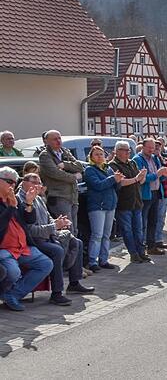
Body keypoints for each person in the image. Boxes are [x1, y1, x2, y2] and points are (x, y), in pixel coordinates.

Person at [18, 173, 94, 304]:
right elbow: (30, 231)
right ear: (24, 182)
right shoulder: (21, 200)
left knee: (77, 242)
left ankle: (74, 283)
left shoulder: (39, 199)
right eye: (33, 182)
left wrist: (58, 222)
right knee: (56, 250)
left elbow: (48, 218)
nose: (37, 186)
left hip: (47, 235)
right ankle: (56, 293)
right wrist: (54, 226)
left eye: (39, 183)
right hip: (32, 241)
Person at [0, 167, 53, 311]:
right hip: (4, 248)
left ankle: (12, 295)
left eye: (14, 183)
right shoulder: (9, 201)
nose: (12, 185)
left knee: (46, 264)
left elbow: (29, 220)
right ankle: (5, 294)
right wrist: (11, 207)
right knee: (13, 272)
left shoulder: (14, 199)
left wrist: (29, 203)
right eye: (9, 182)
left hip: (22, 247)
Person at [38, 130, 84, 241]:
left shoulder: (65, 152)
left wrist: (64, 165)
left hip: (72, 196)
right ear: (47, 141)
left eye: (59, 138)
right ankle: (66, 257)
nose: (58, 141)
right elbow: (55, 173)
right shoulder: (45, 155)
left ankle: (74, 256)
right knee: (67, 231)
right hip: (59, 196)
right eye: (55, 139)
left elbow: (79, 166)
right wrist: (74, 177)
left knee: (74, 230)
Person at [109, 141, 150, 263]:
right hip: (124, 203)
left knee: (138, 229)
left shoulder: (132, 163)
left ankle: (141, 252)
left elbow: (140, 182)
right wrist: (137, 178)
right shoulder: (113, 165)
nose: (128, 152)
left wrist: (142, 176)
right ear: (117, 151)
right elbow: (120, 182)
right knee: (127, 230)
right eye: (125, 150)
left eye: (129, 150)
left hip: (136, 201)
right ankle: (133, 253)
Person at [84, 146, 123, 272]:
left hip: (110, 205)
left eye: (101, 154)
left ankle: (104, 259)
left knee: (107, 235)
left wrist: (117, 181)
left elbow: (115, 187)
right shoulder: (90, 170)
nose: (99, 157)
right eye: (96, 154)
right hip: (97, 206)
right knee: (97, 235)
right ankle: (92, 261)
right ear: (91, 157)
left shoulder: (108, 168)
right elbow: (98, 185)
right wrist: (113, 179)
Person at [133, 138, 167, 254]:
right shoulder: (137, 159)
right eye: (149, 147)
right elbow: (142, 179)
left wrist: (165, 175)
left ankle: (151, 246)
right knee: (142, 223)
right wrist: (157, 174)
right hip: (145, 194)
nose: (151, 150)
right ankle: (141, 248)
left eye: (153, 147)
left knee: (153, 221)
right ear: (143, 147)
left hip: (155, 192)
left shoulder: (155, 158)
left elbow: (160, 176)